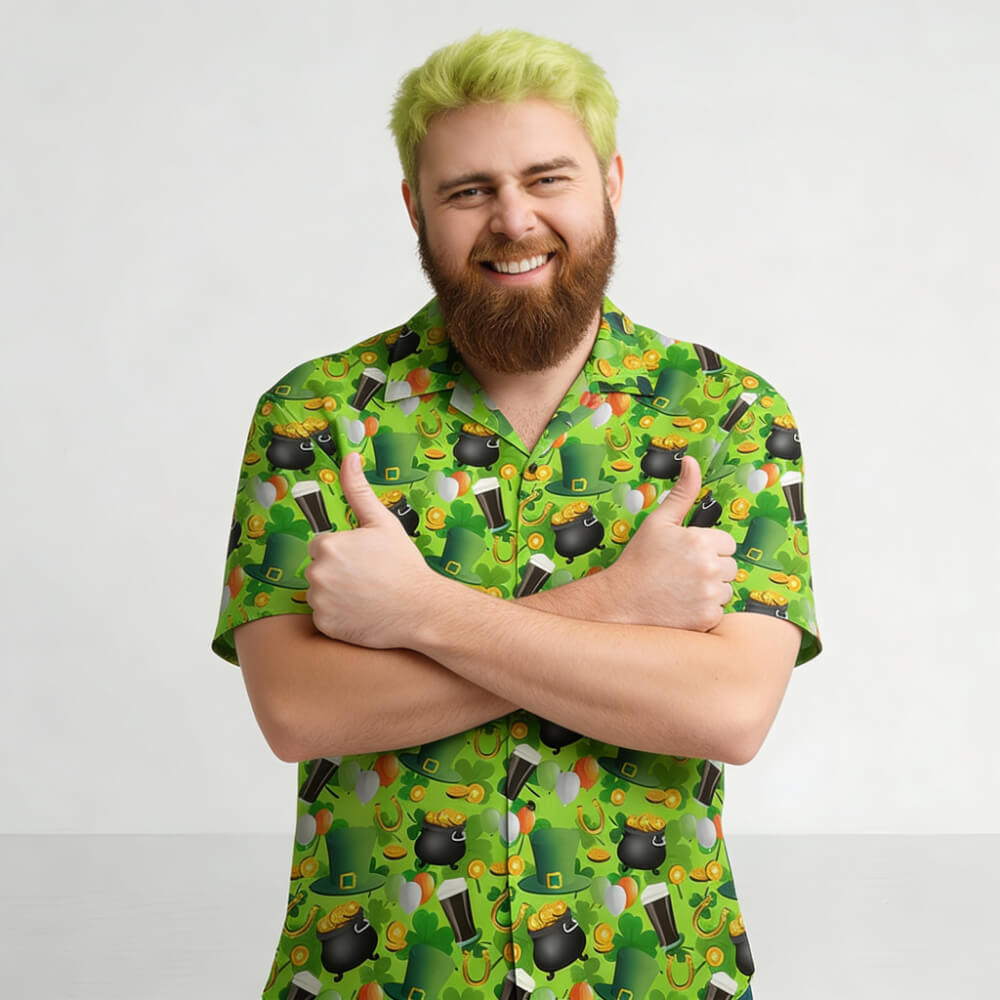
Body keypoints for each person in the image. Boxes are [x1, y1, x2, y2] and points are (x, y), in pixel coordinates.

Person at [212, 29, 820, 1000]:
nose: (513, 219)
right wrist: (621, 605)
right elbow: (298, 708)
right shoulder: (316, 416)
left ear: (612, 182)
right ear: (414, 207)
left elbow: (725, 709)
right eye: (468, 191)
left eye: (547, 179)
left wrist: (417, 614)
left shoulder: (728, 416)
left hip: (657, 978)